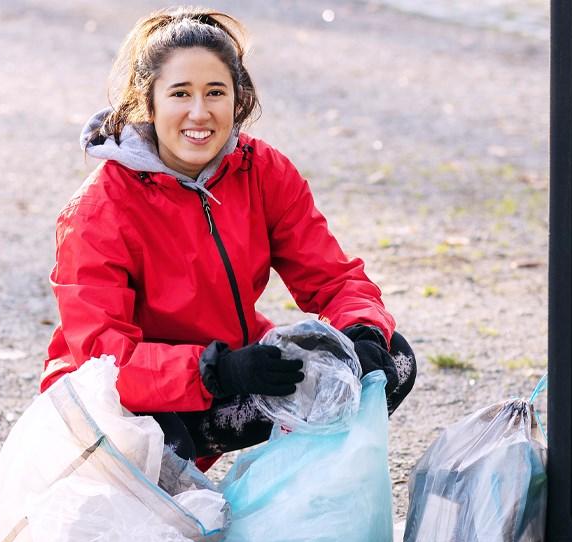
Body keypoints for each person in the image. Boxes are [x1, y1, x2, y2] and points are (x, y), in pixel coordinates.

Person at [40, 7, 416, 470]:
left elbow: (335, 279)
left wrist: (361, 330)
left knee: (390, 362)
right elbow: (103, 360)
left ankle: (288, 500)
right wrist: (215, 371)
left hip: (230, 372)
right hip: (122, 403)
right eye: (180, 93)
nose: (200, 112)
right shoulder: (99, 209)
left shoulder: (262, 171)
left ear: (237, 99)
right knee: (155, 447)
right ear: (149, 102)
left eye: (215, 92)